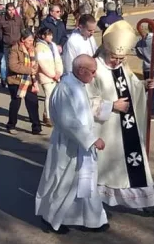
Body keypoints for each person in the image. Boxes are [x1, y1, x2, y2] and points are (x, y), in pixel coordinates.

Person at [86, 20, 154, 217]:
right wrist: (112, 106)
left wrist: (144, 84)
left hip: (128, 127)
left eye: (121, 58)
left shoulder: (122, 66)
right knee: (107, 171)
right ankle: (96, 207)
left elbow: (132, 86)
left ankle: (148, 203)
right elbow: (87, 100)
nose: (118, 62)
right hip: (107, 131)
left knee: (137, 166)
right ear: (107, 51)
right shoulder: (94, 69)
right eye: (115, 57)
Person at [35, 54, 109, 234]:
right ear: (81, 70)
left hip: (82, 145)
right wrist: (91, 139)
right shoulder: (65, 88)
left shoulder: (78, 85)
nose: (94, 75)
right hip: (68, 146)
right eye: (92, 71)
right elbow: (68, 120)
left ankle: (93, 220)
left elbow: (85, 109)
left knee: (87, 182)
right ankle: (51, 218)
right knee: (63, 183)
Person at [7, 29, 42, 135]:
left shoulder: (32, 50)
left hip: (30, 80)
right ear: (23, 40)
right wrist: (28, 70)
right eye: (29, 40)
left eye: (32, 40)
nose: (31, 43)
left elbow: (35, 62)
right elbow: (13, 66)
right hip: (16, 80)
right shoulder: (14, 49)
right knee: (15, 103)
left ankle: (36, 126)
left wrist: (35, 68)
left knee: (33, 102)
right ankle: (11, 125)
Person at [35, 27, 63, 128]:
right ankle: (48, 117)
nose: (51, 36)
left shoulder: (53, 45)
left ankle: (47, 113)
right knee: (49, 96)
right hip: (46, 76)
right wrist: (52, 75)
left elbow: (58, 59)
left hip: (56, 74)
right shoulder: (39, 47)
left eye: (51, 35)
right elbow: (42, 64)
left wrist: (59, 71)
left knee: (54, 96)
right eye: (49, 35)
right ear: (43, 36)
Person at [0, 2, 23, 87]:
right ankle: (5, 79)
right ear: (6, 10)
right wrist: (1, 43)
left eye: (12, 10)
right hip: (6, 45)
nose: (11, 12)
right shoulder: (2, 20)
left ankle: (16, 79)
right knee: (6, 64)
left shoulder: (18, 19)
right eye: (9, 10)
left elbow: (22, 30)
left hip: (17, 45)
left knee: (17, 63)